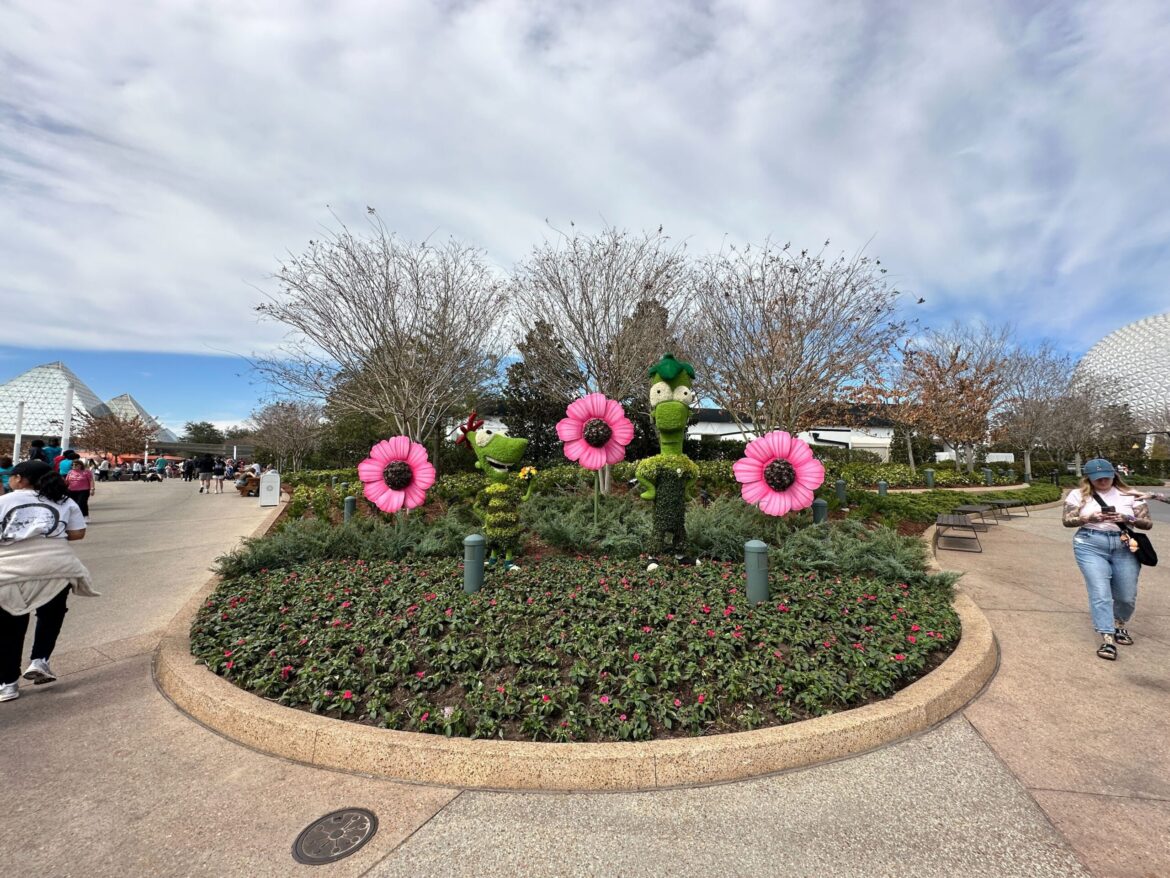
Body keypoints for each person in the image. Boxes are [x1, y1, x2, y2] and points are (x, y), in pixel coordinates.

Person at [0, 460, 98, 703]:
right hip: (57, 568)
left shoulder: (4, 501)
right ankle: (40, 660)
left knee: (9, 627)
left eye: (12, 476)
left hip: (11, 572)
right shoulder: (64, 501)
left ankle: (7, 684)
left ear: (20, 479)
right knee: (51, 615)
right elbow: (78, 533)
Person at [1062, 458, 1153, 661]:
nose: (1103, 482)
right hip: (1090, 544)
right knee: (1100, 592)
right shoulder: (1078, 495)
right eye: (1098, 479)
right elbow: (1067, 521)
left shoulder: (1130, 494)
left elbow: (1147, 524)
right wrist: (1087, 518)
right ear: (1089, 478)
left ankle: (1119, 624)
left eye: (1107, 477)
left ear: (1115, 475)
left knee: (1126, 595)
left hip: (1125, 545)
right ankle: (1107, 638)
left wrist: (1126, 518)